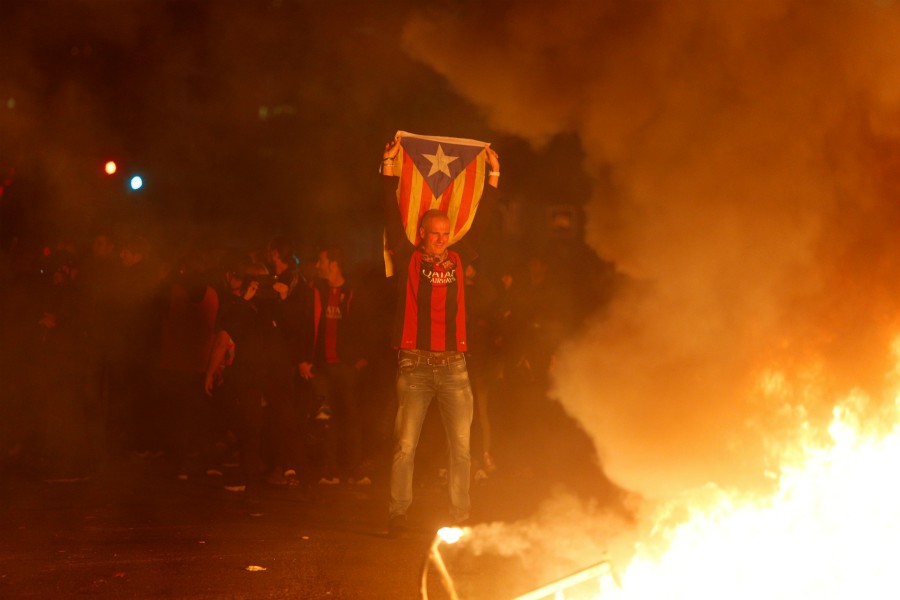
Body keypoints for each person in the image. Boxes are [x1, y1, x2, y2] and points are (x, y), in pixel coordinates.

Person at [381, 137, 500, 536]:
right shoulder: (408, 256)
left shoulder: (460, 258)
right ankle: (399, 513)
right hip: (414, 363)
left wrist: (495, 175)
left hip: (453, 367)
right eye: (434, 233)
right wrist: (388, 169)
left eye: (445, 234)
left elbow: (482, 223)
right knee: (405, 447)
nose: (441, 239)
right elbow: (388, 212)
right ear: (422, 233)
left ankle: (460, 517)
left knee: (462, 449)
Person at [298, 246, 371, 485]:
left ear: (334, 264)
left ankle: (354, 469)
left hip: (345, 366)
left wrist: (362, 356)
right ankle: (330, 469)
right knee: (325, 416)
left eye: (322, 261)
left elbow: (365, 324)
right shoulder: (315, 290)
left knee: (350, 416)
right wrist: (303, 358)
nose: (318, 266)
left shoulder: (353, 291)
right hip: (322, 367)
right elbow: (304, 325)